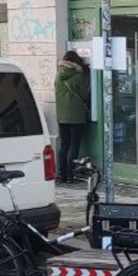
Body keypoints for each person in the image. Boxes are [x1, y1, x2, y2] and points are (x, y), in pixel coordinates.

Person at [54, 50, 90, 184]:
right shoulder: (77, 76)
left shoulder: (58, 75)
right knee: (74, 145)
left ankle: (61, 174)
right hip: (75, 115)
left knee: (64, 145)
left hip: (61, 115)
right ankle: (70, 175)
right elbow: (84, 95)